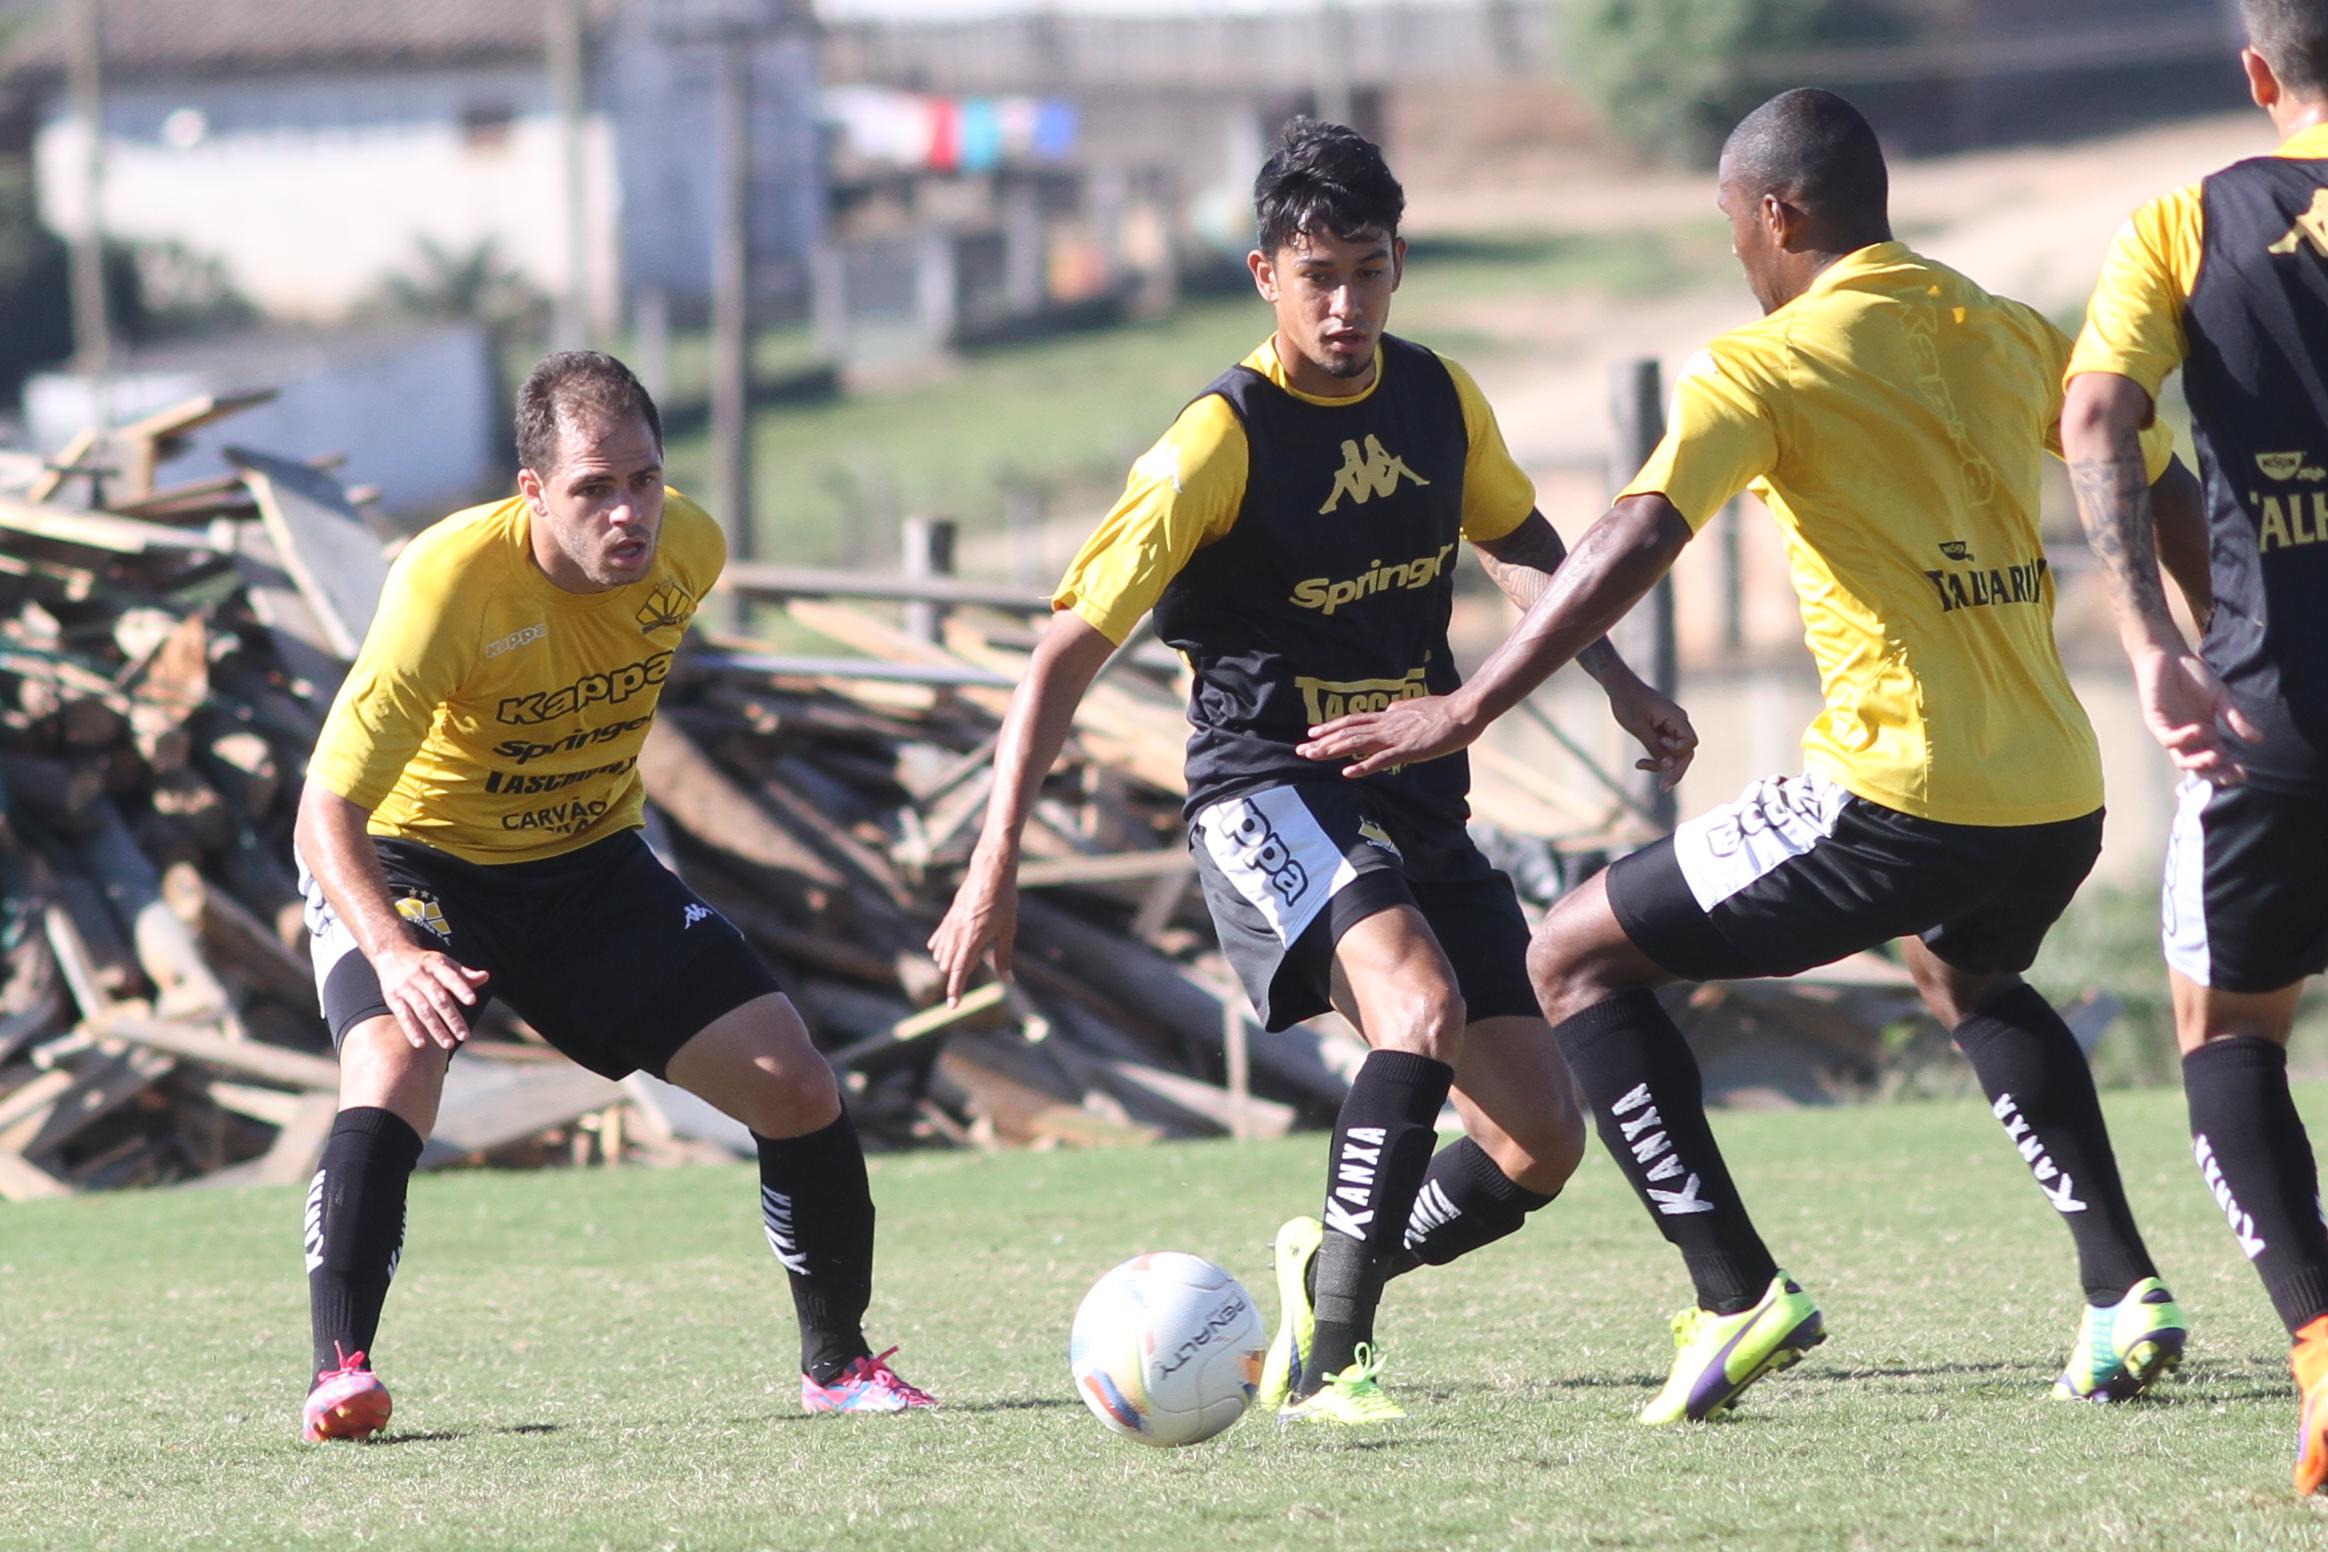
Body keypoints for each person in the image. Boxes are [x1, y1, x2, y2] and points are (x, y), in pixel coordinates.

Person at [1298, 88, 2197, 1424]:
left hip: (1898, 790)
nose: (1735, 253)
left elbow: (1636, 532)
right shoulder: (2006, 326)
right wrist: (2219, 642)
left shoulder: (1763, 364)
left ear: (1776, 214)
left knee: (1571, 956)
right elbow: (2149, 472)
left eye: (1732, 225)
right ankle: (2124, 1294)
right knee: (1963, 971)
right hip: (2060, 793)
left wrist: (1469, 703)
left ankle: (1734, 1294)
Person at [927, 118, 1696, 1426]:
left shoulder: (1438, 398)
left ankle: (1328, 1269)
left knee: (1537, 1140)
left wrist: (1618, 680)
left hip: (1412, 786)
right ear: (1264, 276)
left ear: (1398, 266)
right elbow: (1061, 655)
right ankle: (1334, 1366)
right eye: (1318, 277)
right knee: (1417, 1009)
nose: (1345, 306)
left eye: (1369, 272)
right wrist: (991, 863)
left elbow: (1521, 542)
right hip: (1266, 786)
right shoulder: (1216, 441)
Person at [293, 351, 934, 1442]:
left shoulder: (691, 549)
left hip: (586, 862)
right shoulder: (448, 585)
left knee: (794, 1083)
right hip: (418, 859)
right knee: (395, 1062)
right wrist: (394, 951)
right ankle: (339, 1371)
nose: (628, 511)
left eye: (644, 478)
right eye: (594, 488)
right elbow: (324, 815)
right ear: (533, 491)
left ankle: (840, 1367)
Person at [2062, 0, 2328, 1495]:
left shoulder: (2183, 223)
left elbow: (2098, 414)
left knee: (2228, 1035)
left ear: (2257, 71)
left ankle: (2324, 1345)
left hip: (2271, 710)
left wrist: (2153, 643)